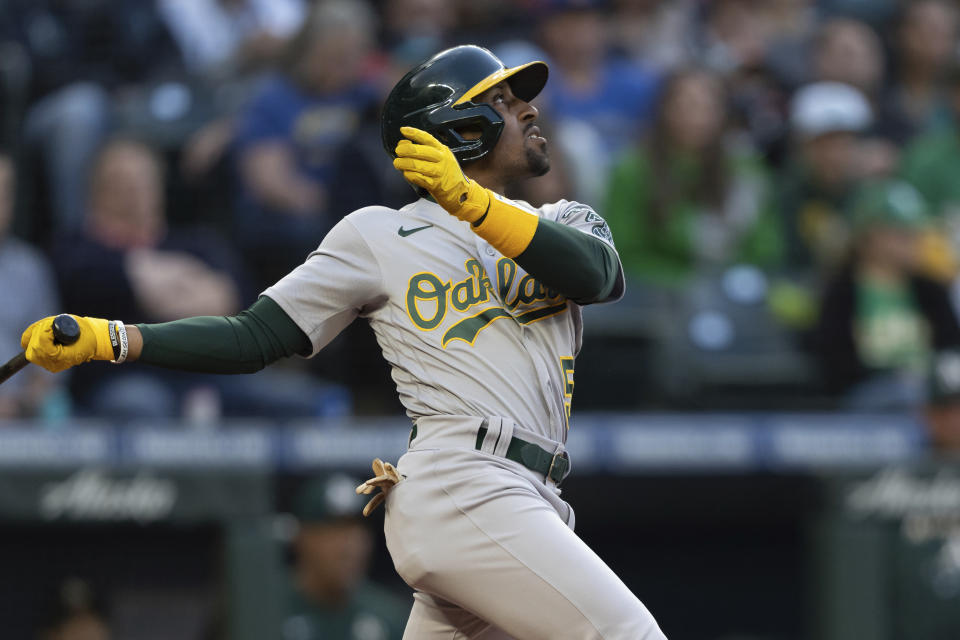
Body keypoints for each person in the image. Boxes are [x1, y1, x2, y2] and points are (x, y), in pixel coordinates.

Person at [19, 45, 666, 638]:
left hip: (530, 493)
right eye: (501, 99)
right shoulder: (380, 234)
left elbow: (597, 276)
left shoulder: (561, 221)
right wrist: (113, 338)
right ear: (456, 128)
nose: (528, 108)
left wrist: (467, 199)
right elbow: (255, 336)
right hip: (464, 481)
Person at [233, 0, 379, 289]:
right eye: (334, 58)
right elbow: (270, 183)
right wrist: (341, 215)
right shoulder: (274, 98)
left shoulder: (363, 94)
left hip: (346, 212)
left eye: (351, 58)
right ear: (308, 52)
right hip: (287, 221)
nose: (344, 68)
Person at [603, 68, 782, 286]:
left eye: (707, 106)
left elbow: (766, 247)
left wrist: (733, 281)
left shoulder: (746, 169)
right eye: (686, 105)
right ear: (664, 110)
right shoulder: (631, 171)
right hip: (656, 300)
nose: (697, 116)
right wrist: (691, 283)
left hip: (734, 293)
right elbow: (624, 254)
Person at [814, 179, 960, 409]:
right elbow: (834, 360)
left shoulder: (930, 289)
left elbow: (950, 346)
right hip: (869, 397)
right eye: (902, 234)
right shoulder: (841, 292)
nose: (914, 242)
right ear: (870, 237)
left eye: (916, 233)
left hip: (931, 397)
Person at [283, 474, 409, 640]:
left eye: (356, 530)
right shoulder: (262, 609)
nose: (348, 546)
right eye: (334, 530)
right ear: (301, 537)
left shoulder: (390, 618)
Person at [0, 151, 64, 419]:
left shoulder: (30, 268)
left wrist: (22, 403)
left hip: (21, 419)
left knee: (59, 409)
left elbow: (53, 361)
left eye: (3, 195)